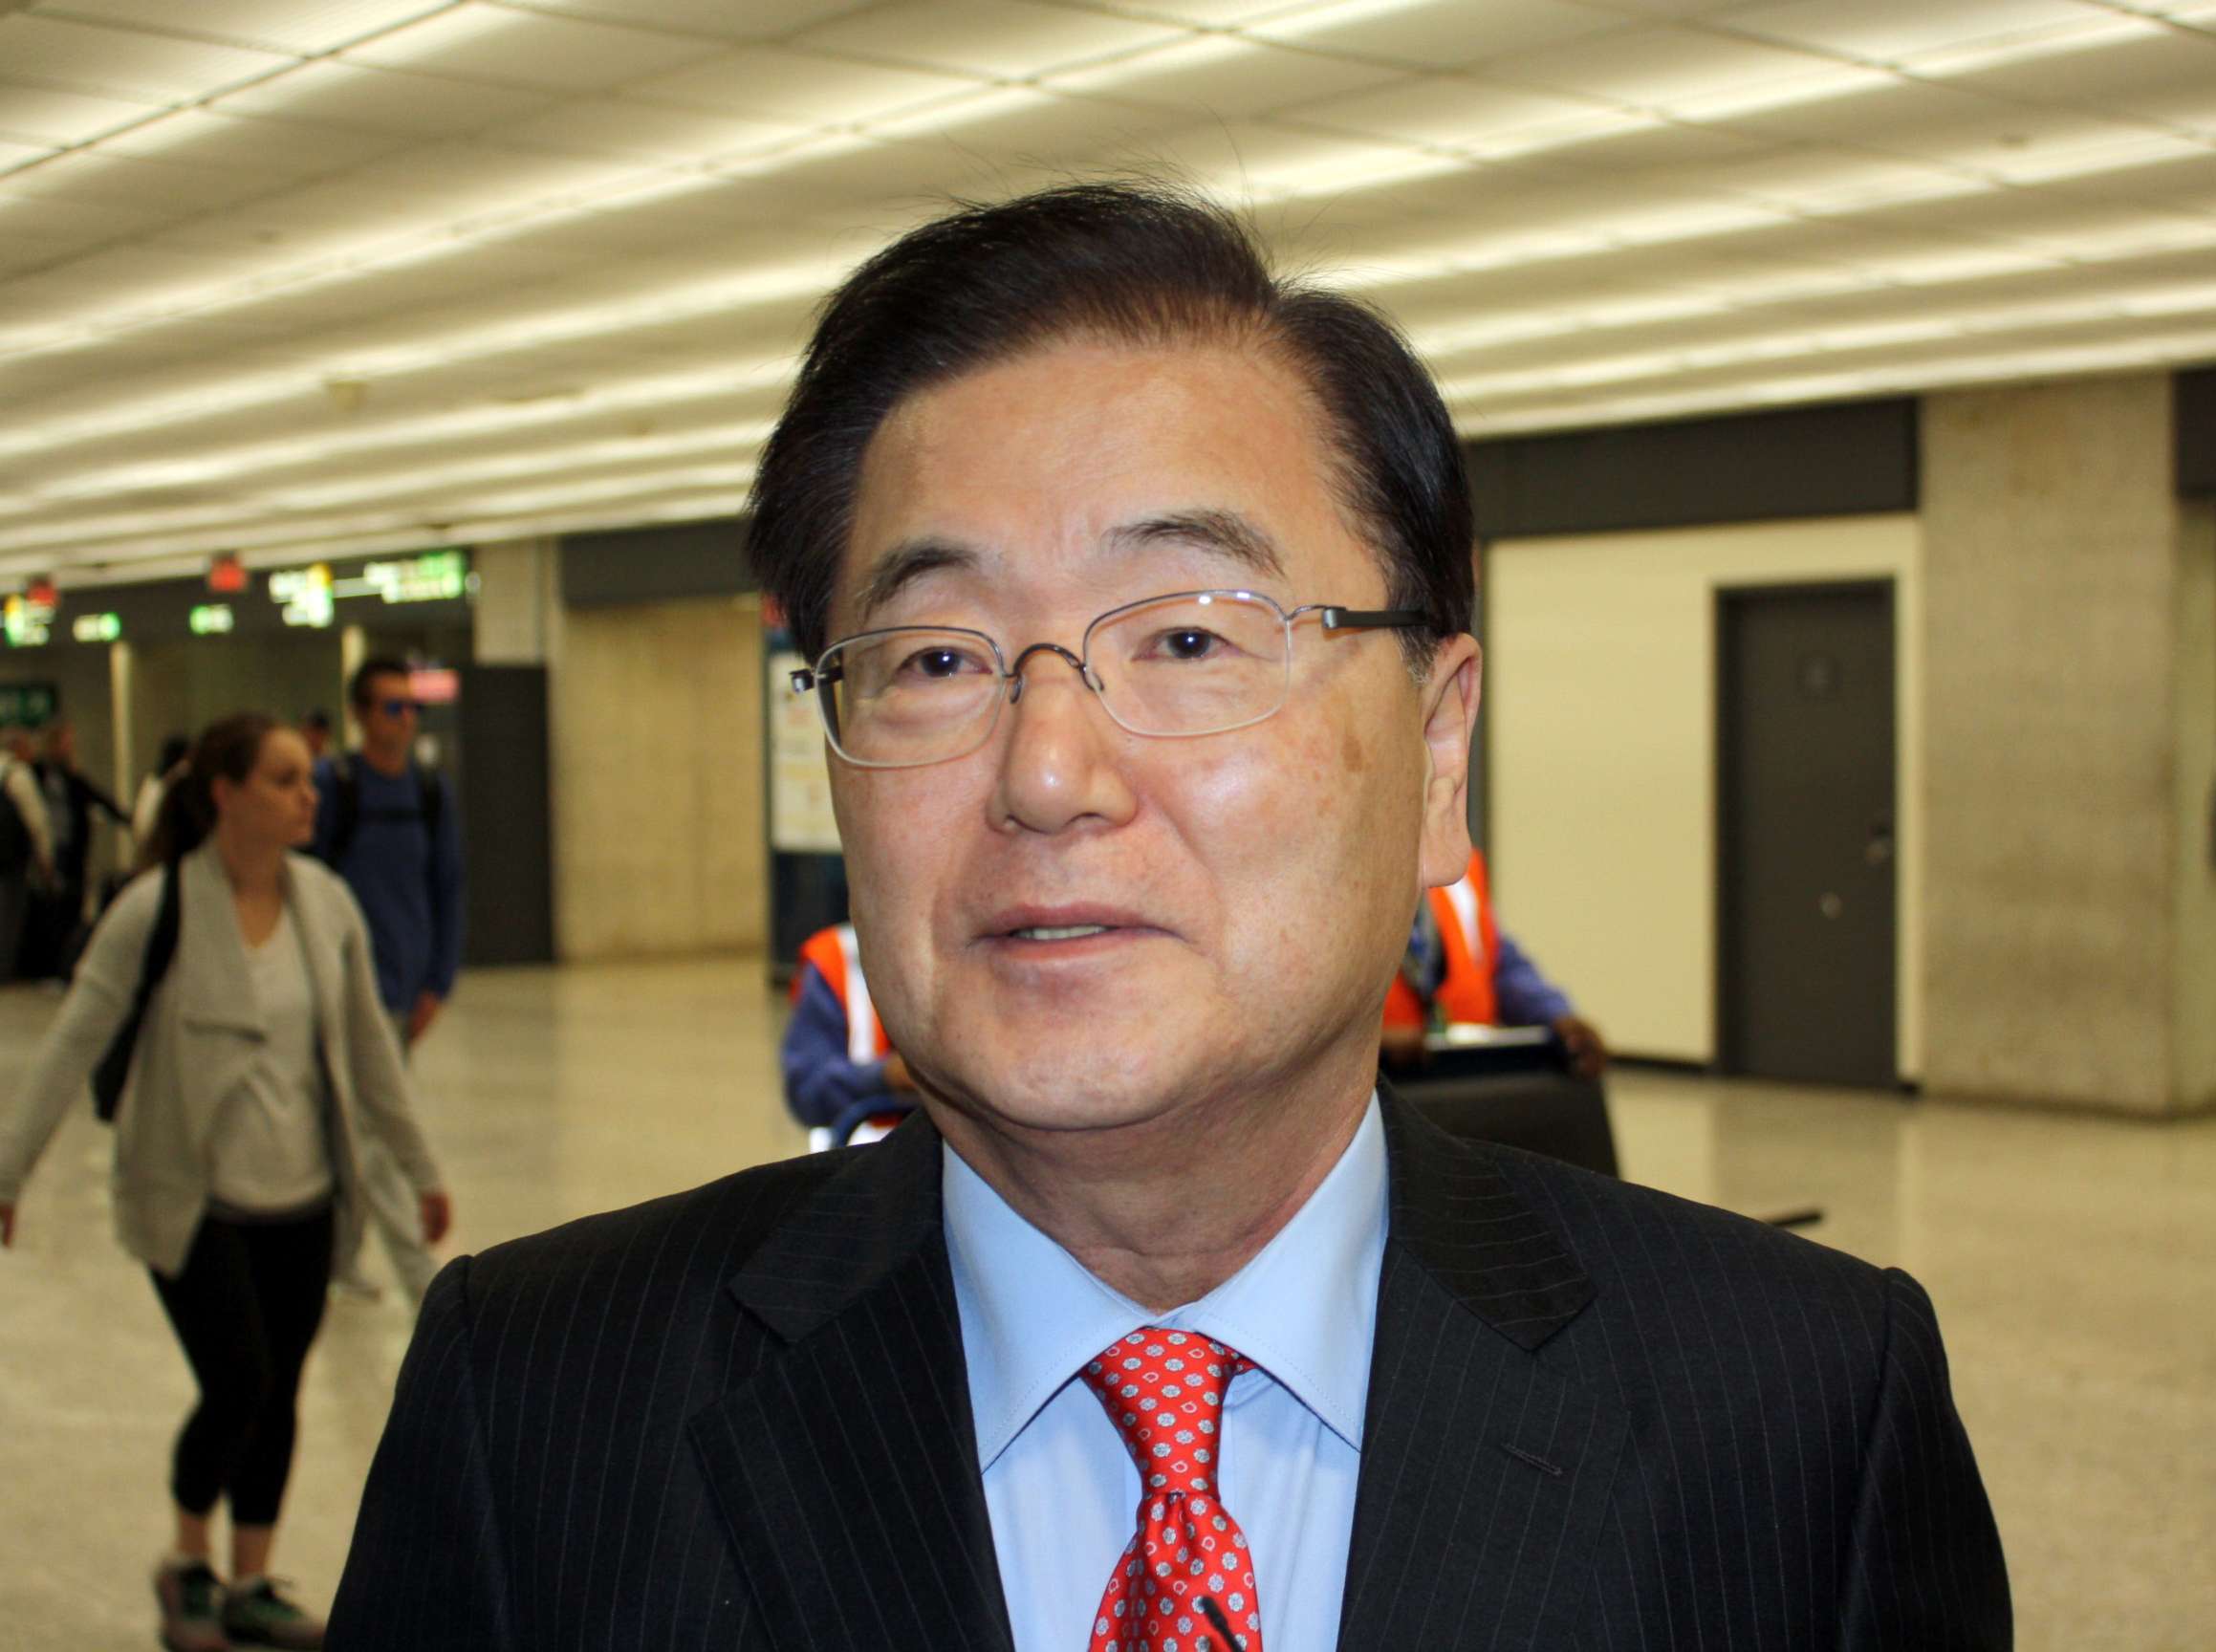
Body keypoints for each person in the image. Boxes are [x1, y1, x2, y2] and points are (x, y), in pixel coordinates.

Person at [331, 183, 2008, 1650]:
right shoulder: (537, 1410)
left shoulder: (1800, 1418)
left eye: (1190, 638)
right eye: (933, 658)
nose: (1046, 769)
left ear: (1435, 751)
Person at [0, 712, 452, 1652]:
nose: (308, 793)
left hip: (305, 1198)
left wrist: (419, 1170)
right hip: (189, 1196)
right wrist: (9, 1171)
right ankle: (187, 1562)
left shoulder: (325, 905)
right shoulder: (154, 907)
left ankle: (251, 1579)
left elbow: (371, 1054)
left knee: (279, 1391)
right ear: (226, 795)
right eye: (285, 779)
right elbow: (73, 1042)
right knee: (239, 1381)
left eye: (306, 778)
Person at [313, 658, 463, 1304]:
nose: (404, 721)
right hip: (345, 994)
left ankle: (340, 1257)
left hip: (406, 989)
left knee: (363, 1130)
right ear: (360, 714)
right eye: (391, 707)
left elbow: (448, 889)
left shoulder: (430, 793)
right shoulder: (332, 787)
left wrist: (439, 982)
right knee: (375, 1134)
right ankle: (416, 1280)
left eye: (413, 708)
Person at [1379, 847, 1610, 1078]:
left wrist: (1557, 1017)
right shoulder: (1353, 868)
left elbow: (1498, 963)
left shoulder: (1459, 861)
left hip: (1466, 1074)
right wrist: (1369, 1044)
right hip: (1380, 1085)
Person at [781, 919, 918, 1144]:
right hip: (869, 1162)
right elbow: (807, 1092)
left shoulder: (978, 952)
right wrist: (888, 1076)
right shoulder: (836, 957)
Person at [23, 718, 132, 979]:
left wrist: (131, 820)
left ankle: (63, 966)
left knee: (71, 906)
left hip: (71, 851)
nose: (70, 747)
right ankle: (49, 966)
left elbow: (98, 798)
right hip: (45, 852)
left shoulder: (70, 777)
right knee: (51, 910)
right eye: (66, 742)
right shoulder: (34, 775)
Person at [0, 728, 56, 978]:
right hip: (8, 861)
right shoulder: (17, 774)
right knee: (8, 915)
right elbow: (37, 822)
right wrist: (47, 861)